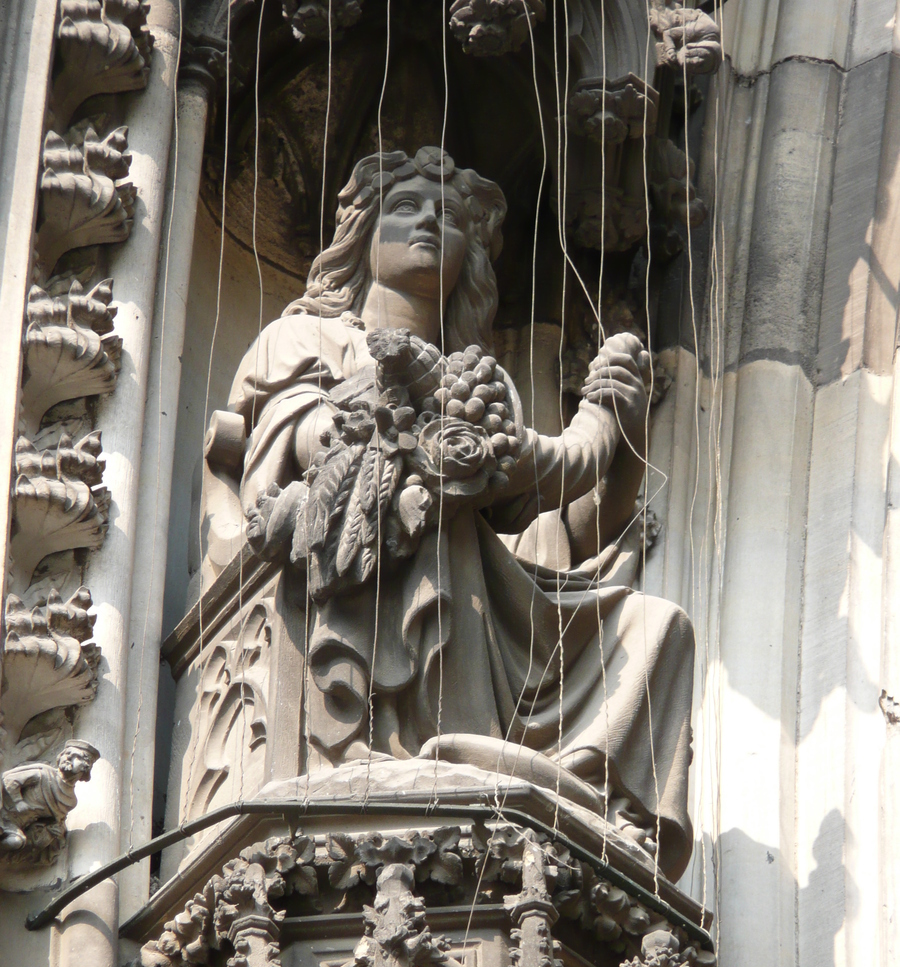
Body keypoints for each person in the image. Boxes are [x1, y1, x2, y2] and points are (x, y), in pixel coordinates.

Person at [225, 146, 695, 880]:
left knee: (657, 628)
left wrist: (621, 432)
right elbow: (294, 440)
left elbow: (571, 524)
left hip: (491, 601)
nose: (427, 223)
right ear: (362, 238)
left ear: (468, 256)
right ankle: (423, 743)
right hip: (369, 555)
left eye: (446, 217)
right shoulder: (304, 336)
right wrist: (393, 428)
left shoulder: (484, 380)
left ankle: (570, 791)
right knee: (421, 509)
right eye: (405, 208)